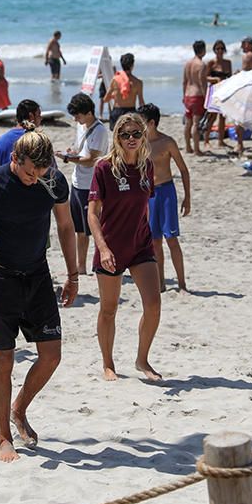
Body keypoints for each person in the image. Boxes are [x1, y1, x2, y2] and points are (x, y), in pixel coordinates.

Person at [0, 128, 78, 462]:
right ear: (15, 158)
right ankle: (3, 437)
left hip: (38, 275)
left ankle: (20, 408)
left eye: (39, 174)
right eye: (28, 173)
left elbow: (66, 228)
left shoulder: (53, 181)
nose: (33, 180)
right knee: (4, 360)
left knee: (52, 355)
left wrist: (72, 275)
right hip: (0, 278)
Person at [88, 113, 162, 382]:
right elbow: (92, 213)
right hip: (111, 246)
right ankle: (108, 364)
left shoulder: (147, 167)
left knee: (153, 304)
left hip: (140, 245)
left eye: (135, 134)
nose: (131, 139)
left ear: (143, 136)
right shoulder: (104, 168)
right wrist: (103, 248)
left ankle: (142, 360)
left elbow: (142, 207)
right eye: (125, 134)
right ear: (117, 137)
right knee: (109, 308)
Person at [138, 104, 190, 293]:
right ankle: (160, 284)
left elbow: (183, 170)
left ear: (152, 123)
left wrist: (187, 198)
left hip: (166, 191)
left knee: (172, 239)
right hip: (148, 194)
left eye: (142, 122)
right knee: (154, 241)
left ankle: (182, 284)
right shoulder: (140, 144)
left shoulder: (167, 142)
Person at [59, 93, 109, 277]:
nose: (76, 119)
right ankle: (81, 267)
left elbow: (90, 160)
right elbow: (80, 151)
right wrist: (70, 152)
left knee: (95, 228)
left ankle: (101, 261)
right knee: (79, 229)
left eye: (78, 115)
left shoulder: (100, 131)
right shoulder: (82, 126)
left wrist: (66, 158)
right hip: (77, 182)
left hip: (92, 184)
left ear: (88, 113)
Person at [0, 99, 42, 170]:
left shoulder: (1, 140)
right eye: (39, 115)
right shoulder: (37, 140)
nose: (41, 118)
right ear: (31, 116)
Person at [203, 39, 233, 152]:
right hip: (214, 90)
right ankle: (206, 140)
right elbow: (205, 77)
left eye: (221, 48)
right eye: (217, 49)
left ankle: (221, 140)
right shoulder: (211, 62)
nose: (219, 51)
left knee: (223, 117)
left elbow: (230, 77)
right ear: (214, 50)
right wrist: (215, 79)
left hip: (225, 90)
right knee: (212, 116)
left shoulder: (228, 63)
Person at [103, 52, 144, 128]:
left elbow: (105, 99)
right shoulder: (138, 82)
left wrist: (115, 96)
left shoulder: (115, 80)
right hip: (131, 113)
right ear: (132, 65)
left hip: (117, 112)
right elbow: (141, 102)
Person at [182, 40, 208, 156]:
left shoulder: (188, 63)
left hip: (188, 95)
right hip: (197, 96)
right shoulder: (201, 65)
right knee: (196, 123)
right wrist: (206, 97)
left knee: (188, 123)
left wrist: (183, 95)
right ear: (203, 50)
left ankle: (188, 147)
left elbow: (184, 81)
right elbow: (202, 83)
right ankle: (197, 149)